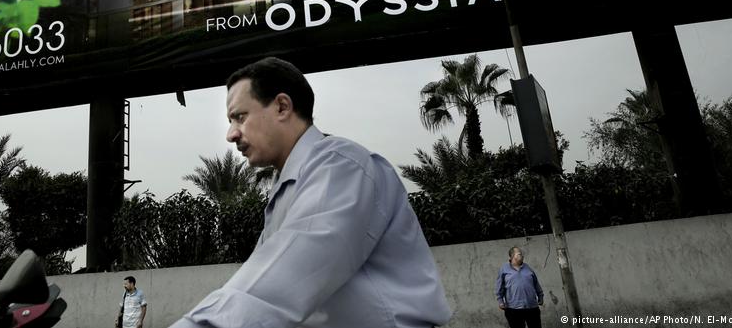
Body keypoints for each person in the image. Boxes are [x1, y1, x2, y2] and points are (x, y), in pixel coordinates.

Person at [170, 57, 451, 328]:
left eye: (239, 117)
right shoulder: (288, 185)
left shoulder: (340, 166)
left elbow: (273, 286)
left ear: (282, 106)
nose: (231, 134)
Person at [495, 246, 544, 328]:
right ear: (512, 256)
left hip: (532, 307)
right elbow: (499, 287)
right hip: (513, 309)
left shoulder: (527, 268)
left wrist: (540, 296)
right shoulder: (504, 269)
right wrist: (500, 301)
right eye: (519, 254)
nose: (522, 255)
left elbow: (536, 283)